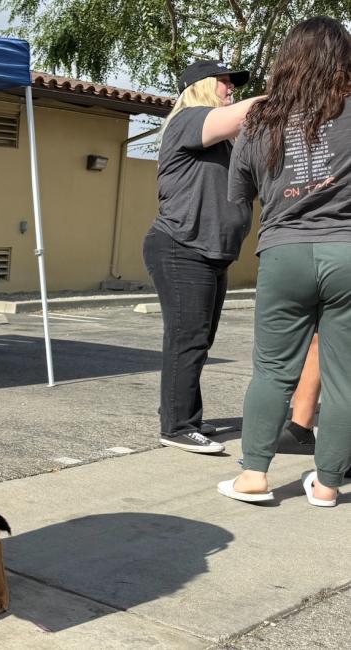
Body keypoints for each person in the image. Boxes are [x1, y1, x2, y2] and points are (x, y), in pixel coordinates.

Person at [218, 16, 351, 507]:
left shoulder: (258, 121)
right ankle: (329, 483)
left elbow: (240, 197)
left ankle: (254, 475)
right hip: (348, 252)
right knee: (345, 377)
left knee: (273, 369)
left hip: (284, 251)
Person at [143, 59, 263, 454]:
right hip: (182, 247)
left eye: (232, 84)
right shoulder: (188, 120)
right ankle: (176, 426)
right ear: (200, 87)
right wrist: (294, 94)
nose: (232, 89)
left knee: (200, 339)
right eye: (225, 82)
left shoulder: (223, 142)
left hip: (213, 253)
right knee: (187, 338)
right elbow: (243, 114)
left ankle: (187, 418)